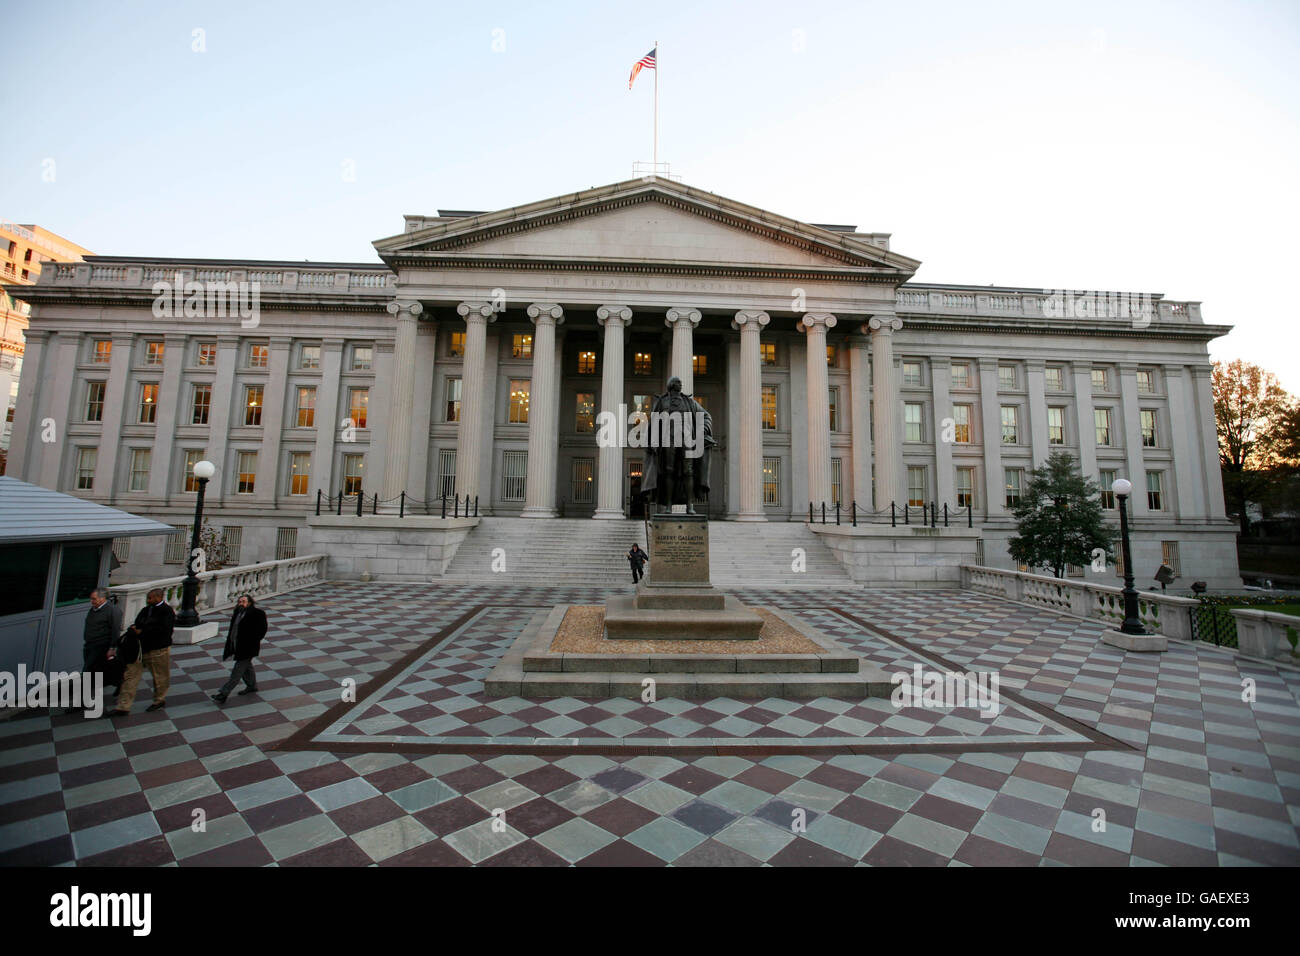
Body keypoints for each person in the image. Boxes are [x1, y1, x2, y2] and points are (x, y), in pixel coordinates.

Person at [108, 588, 175, 717]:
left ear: (158, 597)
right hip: (139, 650)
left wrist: (142, 631)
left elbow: (164, 630)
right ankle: (123, 707)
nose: (148, 600)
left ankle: (159, 700)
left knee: (160, 677)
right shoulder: (146, 609)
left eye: (150, 598)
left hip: (157, 650)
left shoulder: (167, 612)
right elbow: (138, 622)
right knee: (130, 676)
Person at [212, 594, 267, 703]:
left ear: (249, 603)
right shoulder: (237, 612)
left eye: (243, 601)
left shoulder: (258, 613)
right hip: (237, 645)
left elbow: (262, 630)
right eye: (239, 601)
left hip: (248, 647)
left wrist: (253, 640)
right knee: (247, 667)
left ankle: (224, 693)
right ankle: (252, 686)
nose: (240, 603)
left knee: (237, 671)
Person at [74, 589, 122, 714]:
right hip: (90, 645)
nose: (92, 602)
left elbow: (115, 630)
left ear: (102, 599)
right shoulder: (94, 610)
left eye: (94, 599)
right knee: (100, 671)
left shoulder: (112, 610)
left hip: (101, 646)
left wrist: (112, 647)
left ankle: (82, 702)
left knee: (87, 672)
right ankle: (119, 682)